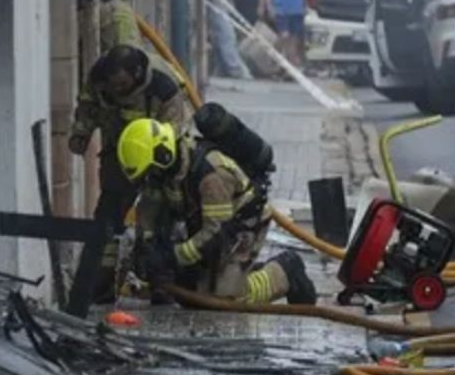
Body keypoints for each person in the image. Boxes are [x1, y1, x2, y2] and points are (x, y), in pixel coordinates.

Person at [116, 118, 316, 306]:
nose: (150, 178)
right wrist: (149, 247)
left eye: (150, 172)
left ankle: (287, 271)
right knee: (196, 289)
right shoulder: (163, 173)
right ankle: (234, 273)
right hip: (206, 226)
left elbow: (215, 233)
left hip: (241, 226)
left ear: (163, 155)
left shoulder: (210, 176)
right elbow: (148, 211)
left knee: (224, 298)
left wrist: (172, 257)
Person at [70, 45, 192, 302]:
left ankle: (163, 284)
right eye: (113, 85)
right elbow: (88, 104)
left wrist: (158, 169)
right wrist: (82, 131)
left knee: (158, 217)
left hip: (158, 153)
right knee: (108, 213)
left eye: (123, 84)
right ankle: (99, 283)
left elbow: (173, 134)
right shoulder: (99, 77)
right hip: (118, 149)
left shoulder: (163, 87)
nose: (118, 91)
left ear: (137, 74)